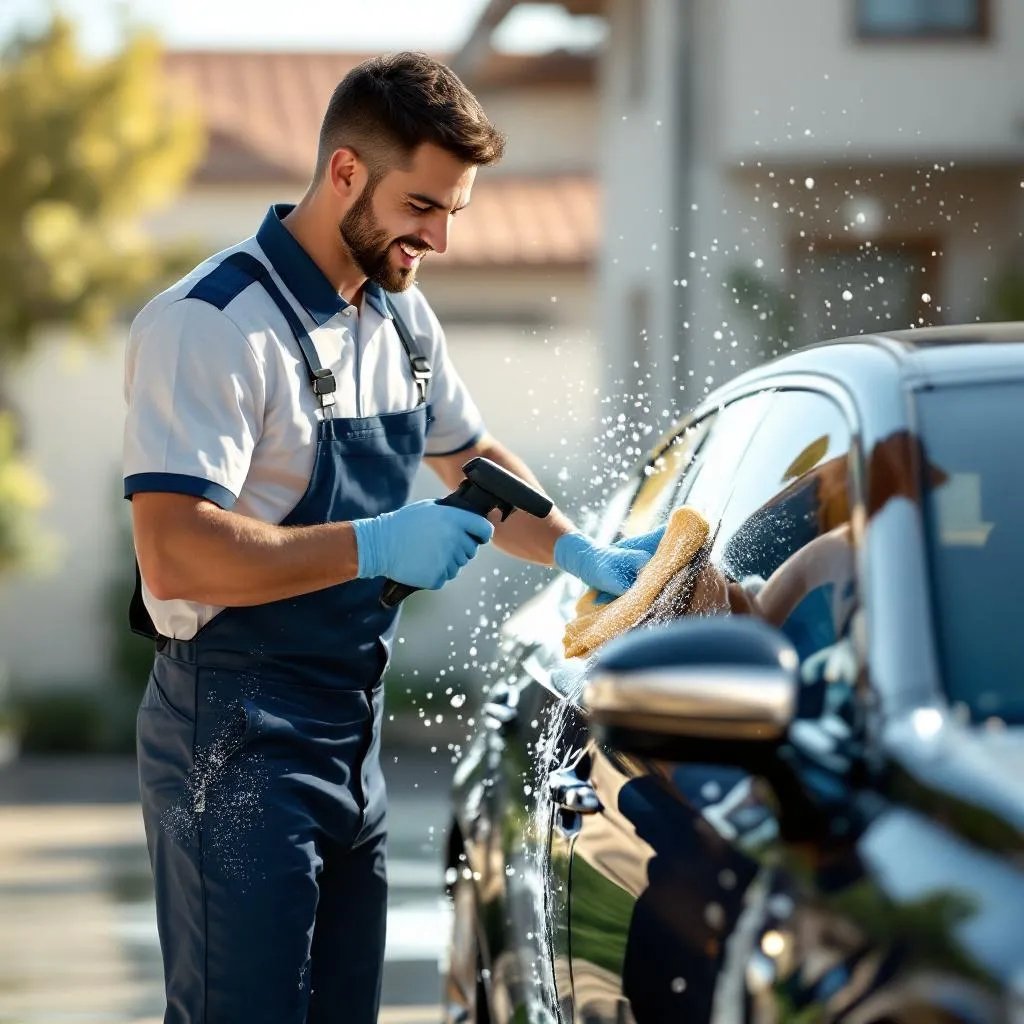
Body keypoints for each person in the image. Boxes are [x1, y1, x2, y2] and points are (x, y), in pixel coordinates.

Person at [124, 52, 650, 1024]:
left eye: (454, 210)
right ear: (343, 174)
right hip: (230, 740)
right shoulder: (210, 326)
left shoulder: (402, 321)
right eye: (422, 206)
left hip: (347, 737)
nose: (440, 237)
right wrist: (372, 545)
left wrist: (580, 552)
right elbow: (174, 549)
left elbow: (472, 459)